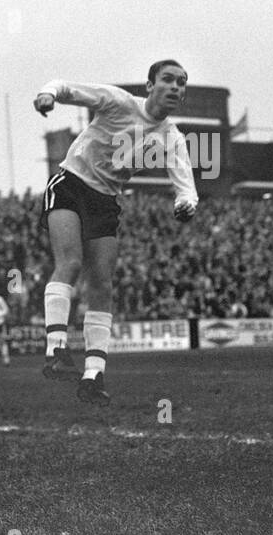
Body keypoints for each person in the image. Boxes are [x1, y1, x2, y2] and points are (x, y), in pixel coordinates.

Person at [33, 59, 198, 404]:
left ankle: (93, 375)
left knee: (102, 284)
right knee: (70, 263)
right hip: (70, 184)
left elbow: (185, 185)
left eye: (181, 83)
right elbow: (66, 87)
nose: (175, 87)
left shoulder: (171, 136)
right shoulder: (119, 102)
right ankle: (56, 350)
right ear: (150, 86)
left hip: (105, 200)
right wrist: (48, 94)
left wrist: (186, 204)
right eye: (168, 79)